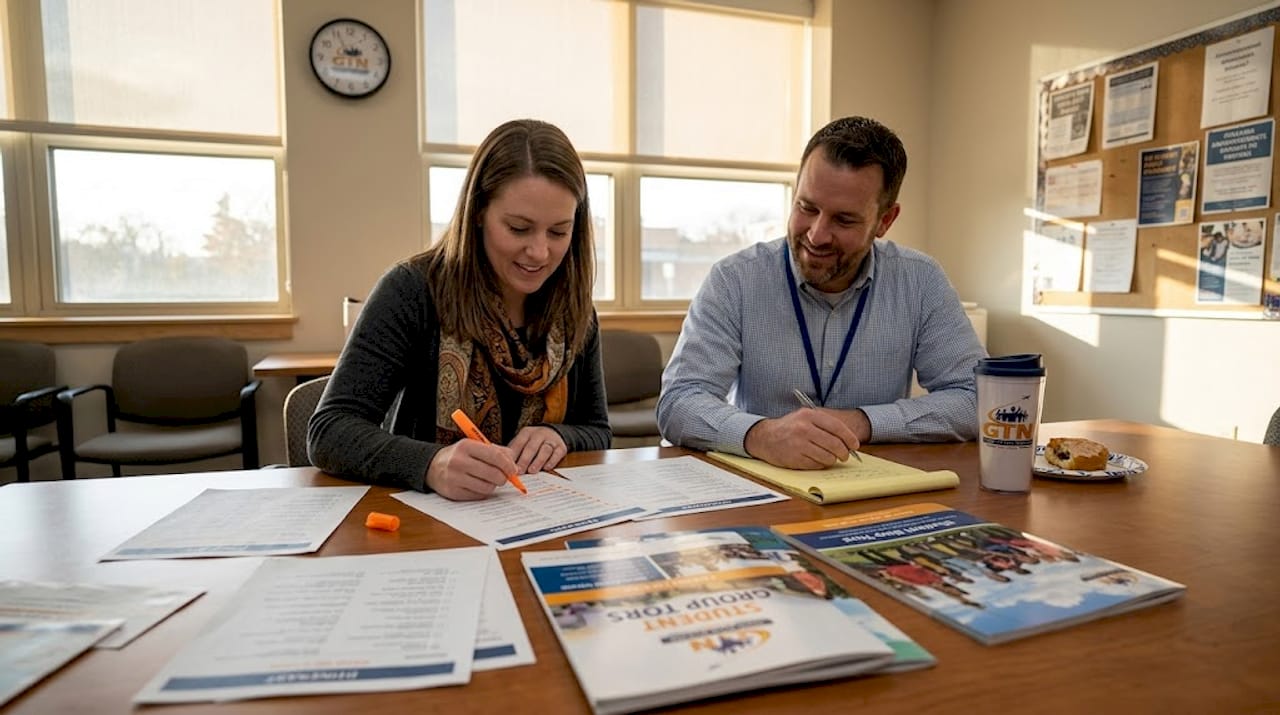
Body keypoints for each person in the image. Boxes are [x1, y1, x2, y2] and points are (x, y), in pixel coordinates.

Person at [656, 116, 985, 470]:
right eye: (807, 208)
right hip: (764, 484)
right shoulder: (734, 280)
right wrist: (762, 435)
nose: (816, 235)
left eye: (844, 220)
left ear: (885, 221)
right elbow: (679, 401)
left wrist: (862, 422)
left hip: (876, 485)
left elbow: (978, 398)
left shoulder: (920, 281)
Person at [309, 119, 610, 500]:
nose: (539, 252)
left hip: (537, 513)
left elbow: (597, 429)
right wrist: (431, 464)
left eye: (558, 232)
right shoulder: (412, 291)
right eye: (519, 228)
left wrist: (560, 435)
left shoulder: (574, 309)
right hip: (425, 519)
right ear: (478, 212)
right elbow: (330, 430)